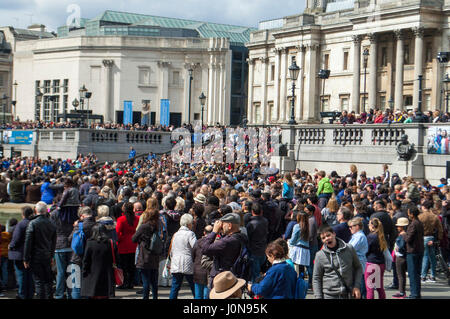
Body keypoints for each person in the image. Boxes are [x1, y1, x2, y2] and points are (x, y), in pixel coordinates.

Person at [313, 224, 362, 299]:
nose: (327, 239)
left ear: (334, 234)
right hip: (329, 295)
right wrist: (318, 297)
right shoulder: (320, 255)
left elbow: (358, 267)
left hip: (348, 293)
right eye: (323, 238)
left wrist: (357, 286)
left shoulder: (349, 248)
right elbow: (316, 278)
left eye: (328, 235)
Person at [201, 213, 248, 287]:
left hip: (221, 279)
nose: (221, 226)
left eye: (222, 224)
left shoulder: (227, 241)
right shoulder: (242, 237)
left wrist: (214, 232)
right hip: (232, 276)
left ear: (229, 225)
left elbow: (204, 248)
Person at [23, 201, 57, 299]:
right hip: (47, 255)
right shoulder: (51, 223)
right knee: (47, 281)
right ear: (46, 211)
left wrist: (25, 258)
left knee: (38, 282)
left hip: (35, 256)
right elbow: (53, 242)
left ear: (36, 210)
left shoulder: (32, 223)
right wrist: (51, 256)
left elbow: (28, 242)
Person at [49, 193, 78, 300]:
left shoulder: (54, 214)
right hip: (71, 244)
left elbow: (51, 230)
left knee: (60, 272)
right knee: (70, 271)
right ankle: (71, 294)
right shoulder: (73, 213)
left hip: (59, 245)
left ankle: (59, 294)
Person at [68, 206, 97, 299]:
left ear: (82, 216)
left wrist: (74, 227)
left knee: (76, 286)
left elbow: (70, 239)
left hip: (77, 258)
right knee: (88, 286)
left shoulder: (79, 226)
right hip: (92, 259)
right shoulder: (96, 225)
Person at [132, 209, 161, 299]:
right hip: (155, 255)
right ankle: (155, 297)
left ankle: (145, 297)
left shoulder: (144, 226)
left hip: (144, 255)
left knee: (146, 281)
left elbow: (133, 239)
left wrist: (141, 239)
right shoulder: (157, 225)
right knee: (154, 281)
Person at [81, 224, 115, 299]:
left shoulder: (90, 243)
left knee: (94, 294)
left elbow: (86, 260)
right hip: (107, 274)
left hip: (92, 274)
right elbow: (116, 258)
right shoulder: (110, 243)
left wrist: (84, 271)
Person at [8, 206, 35, 299]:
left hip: (19, 254)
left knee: (21, 277)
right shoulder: (33, 223)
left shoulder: (21, 224)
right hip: (32, 254)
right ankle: (29, 295)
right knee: (29, 277)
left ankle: (22, 295)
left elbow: (16, 239)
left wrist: (10, 246)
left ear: (23, 214)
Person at [169, 213, 197, 299]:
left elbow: (172, 249)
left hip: (176, 261)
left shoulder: (175, 234)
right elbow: (195, 247)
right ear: (189, 224)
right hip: (187, 261)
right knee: (193, 284)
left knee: (175, 286)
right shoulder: (190, 234)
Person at [418, 200, 443, 283]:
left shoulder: (420, 216)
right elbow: (440, 229)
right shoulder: (435, 216)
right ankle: (432, 276)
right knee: (432, 258)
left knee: (425, 257)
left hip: (423, 238)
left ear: (424, 207)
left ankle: (423, 276)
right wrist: (438, 239)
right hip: (431, 238)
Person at [115, 202, 139, 289]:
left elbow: (117, 233)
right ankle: (131, 282)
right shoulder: (137, 218)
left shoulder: (121, 219)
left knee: (123, 266)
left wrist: (119, 239)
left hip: (123, 245)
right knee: (132, 266)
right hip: (134, 245)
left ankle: (124, 282)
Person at [245, 202, 268, 282]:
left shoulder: (250, 224)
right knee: (257, 271)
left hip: (254, 250)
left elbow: (248, 238)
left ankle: (255, 290)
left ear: (252, 212)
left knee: (255, 273)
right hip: (263, 249)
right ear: (261, 211)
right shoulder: (265, 221)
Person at [365, 217, 387, 299]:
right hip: (380, 264)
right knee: (379, 287)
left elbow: (366, 250)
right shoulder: (381, 235)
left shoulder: (370, 236)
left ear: (372, 226)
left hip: (371, 264)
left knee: (370, 288)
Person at [405, 204, 424, 299]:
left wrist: (403, 235)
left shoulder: (413, 224)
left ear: (412, 214)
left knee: (413, 273)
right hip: (419, 250)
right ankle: (416, 293)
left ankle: (414, 294)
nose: (408, 214)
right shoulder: (419, 223)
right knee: (416, 273)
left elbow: (408, 238)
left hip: (413, 251)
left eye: (409, 213)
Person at [348, 217, 368, 299]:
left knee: (359, 287)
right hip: (356, 263)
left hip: (358, 263)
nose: (350, 228)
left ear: (357, 226)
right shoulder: (356, 236)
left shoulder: (359, 236)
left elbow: (350, 248)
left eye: (351, 226)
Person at [192, 225, 213, 299]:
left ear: (204, 232)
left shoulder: (197, 242)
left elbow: (193, 256)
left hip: (197, 271)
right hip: (208, 272)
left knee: (198, 295)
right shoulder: (214, 243)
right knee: (206, 296)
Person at [288, 212, 310, 276]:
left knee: (293, 266)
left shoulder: (297, 226)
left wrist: (289, 242)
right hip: (306, 249)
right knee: (301, 269)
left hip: (298, 249)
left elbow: (293, 239)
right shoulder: (308, 226)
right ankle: (301, 282)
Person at [392, 217, 409, 299]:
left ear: (402, 226)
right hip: (403, 256)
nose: (397, 227)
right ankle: (402, 291)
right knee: (402, 275)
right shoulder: (406, 234)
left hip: (400, 257)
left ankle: (401, 292)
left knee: (400, 275)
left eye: (399, 226)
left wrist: (398, 247)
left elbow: (401, 246)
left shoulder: (402, 235)